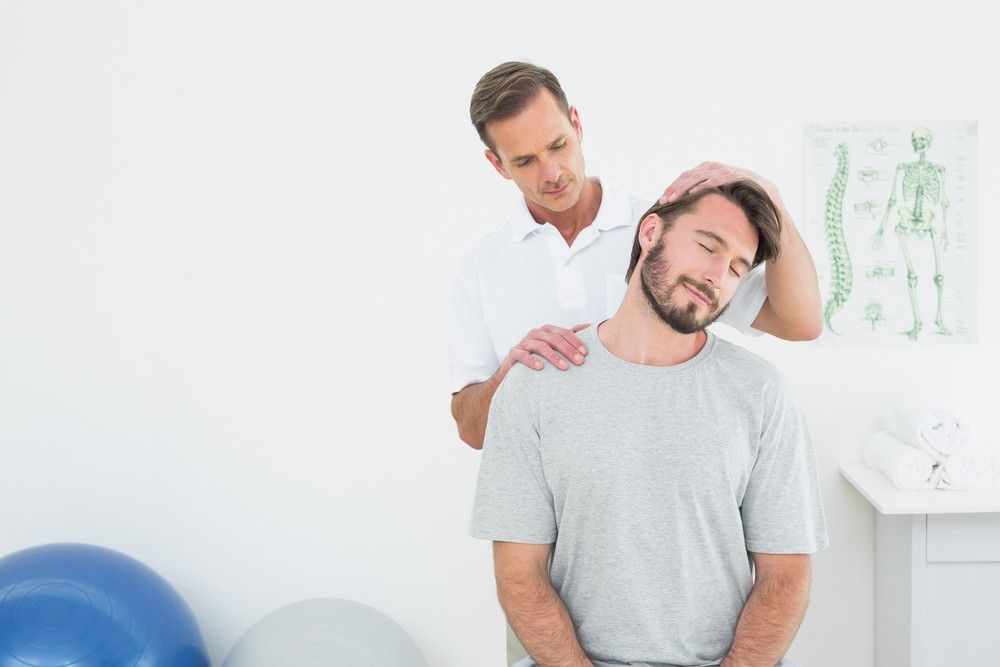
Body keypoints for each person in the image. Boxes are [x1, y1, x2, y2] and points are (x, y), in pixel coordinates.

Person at [470, 180, 829, 667]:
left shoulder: (761, 393)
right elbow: (519, 573)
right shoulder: (536, 386)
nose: (716, 275)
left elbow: (785, 575)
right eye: (707, 245)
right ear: (651, 231)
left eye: (737, 268)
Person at [450, 62, 822, 455]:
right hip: (542, 500)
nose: (553, 173)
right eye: (525, 161)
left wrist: (773, 198)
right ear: (497, 165)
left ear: (576, 124)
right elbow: (471, 430)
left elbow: (801, 322)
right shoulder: (480, 266)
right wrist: (512, 375)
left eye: (558, 145)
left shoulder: (663, 230)